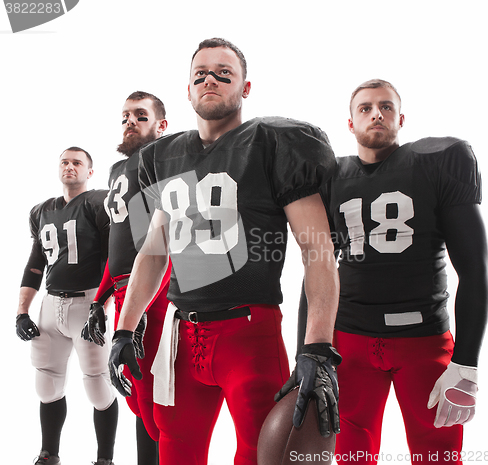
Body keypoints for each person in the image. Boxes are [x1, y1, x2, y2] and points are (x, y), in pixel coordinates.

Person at [108, 38, 341, 465]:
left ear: (245, 88)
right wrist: (126, 327)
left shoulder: (273, 142)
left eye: (223, 72)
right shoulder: (163, 154)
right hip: (183, 335)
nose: (209, 79)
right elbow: (154, 252)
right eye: (200, 74)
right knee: (176, 452)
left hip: (249, 333)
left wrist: (317, 347)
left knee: (259, 454)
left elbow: (317, 250)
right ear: (188, 89)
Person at [298, 79, 488, 464]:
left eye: (386, 107)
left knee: (438, 456)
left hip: (423, 341)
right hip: (349, 341)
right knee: (351, 455)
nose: (376, 114)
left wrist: (466, 362)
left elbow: (474, 268)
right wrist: (308, 352)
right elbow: (317, 269)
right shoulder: (332, 177)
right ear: (350, 124)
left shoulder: (437, 163)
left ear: (401, 119)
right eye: (365, 108)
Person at [82, 91, 170, 465]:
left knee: (158, 397)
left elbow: (167, 240)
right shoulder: (118, 170)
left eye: (140, 115)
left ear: (161, 125)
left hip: (153, 291)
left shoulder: (164, 159)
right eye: (125, 117)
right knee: (134, 392)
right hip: (122, 293)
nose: (130, 121)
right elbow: (116, 245)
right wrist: (98, 300)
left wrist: (145, 305)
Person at [16, 147, 119, 465]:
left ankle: (104, 459)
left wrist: (102, 305)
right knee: (46, 385)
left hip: (90, 302)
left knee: (99, 388)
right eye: (65, 161)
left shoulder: (98, 203)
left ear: (90, 171)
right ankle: (50, 453)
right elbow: (35, 265)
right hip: (51, 304)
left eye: (78, 162)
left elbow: (113, 259)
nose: (70, 166)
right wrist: (22, 311)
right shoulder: (41, 211)